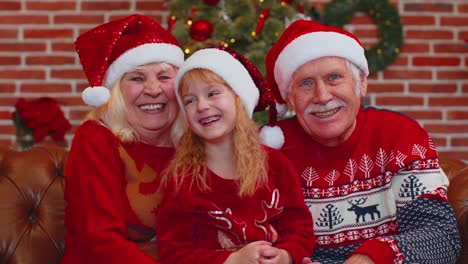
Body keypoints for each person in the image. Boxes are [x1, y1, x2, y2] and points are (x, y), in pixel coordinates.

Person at [260, 20, 461, 264]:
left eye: (334, 77)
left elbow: (441, 238)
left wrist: (372, 257)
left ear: (361, 84)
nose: (322, 96)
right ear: (289, 98)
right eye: (305, 83)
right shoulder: (269, 153)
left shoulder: (400, 136)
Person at [155, 47, 315, 264]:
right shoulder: (183, 179)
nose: (202, 106)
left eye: (212, 93)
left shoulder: (276, 165)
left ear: (240, 100)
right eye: (190, 100)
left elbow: (300, 229)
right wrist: (233, 260)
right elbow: (174, 253)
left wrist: (285, 255)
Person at [62, 14, 184, 263]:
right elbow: (98, 240)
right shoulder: (96, 137)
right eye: (137, 78)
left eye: (164, 77)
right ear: (115, 92)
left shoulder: (194, 141)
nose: (153, 89)